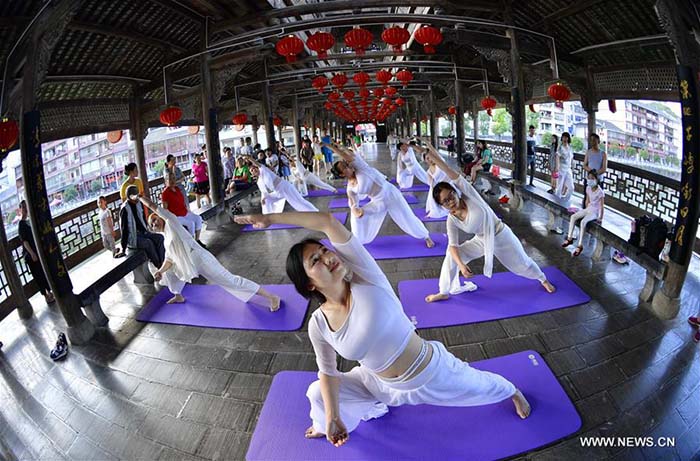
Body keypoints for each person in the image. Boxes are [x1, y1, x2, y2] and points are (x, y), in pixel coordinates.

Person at [233, 211, 532, 447]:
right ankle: (328, 424)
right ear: (309, 283)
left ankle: (512, 390)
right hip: (377, 384)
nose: (327, 257)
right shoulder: (318, 324)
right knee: (317, 392)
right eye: (316, 261)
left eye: (324, 251)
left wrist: (270, 219)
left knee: (479, 385)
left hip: (428, 374)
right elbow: (328, 372)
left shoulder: (365, 276)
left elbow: (325, 221)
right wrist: (333, 417)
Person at [420, 143, 556, 303]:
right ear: (442, 205)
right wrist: (462, 266)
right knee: (452, 256)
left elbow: (448, 171)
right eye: (445, 201)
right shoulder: (452, 219)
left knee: (522, 265)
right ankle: (443, 291)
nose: (451, 201)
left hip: (500, 235)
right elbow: (453, 245)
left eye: (451, 196)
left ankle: (542, 279)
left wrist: (431, 153)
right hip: (481, 240)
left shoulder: (469, 194)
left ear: (455, 192)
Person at [139, 195, 281, 311]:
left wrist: (140, 197)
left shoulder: (171, 222)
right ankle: (178, 295)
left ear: (160, 217)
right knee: (169, 273)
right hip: (189, 264)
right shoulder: (165, 239)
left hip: (200, 259)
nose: (154, 223)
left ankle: (271, 297)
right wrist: (160, 271)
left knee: (230, 280)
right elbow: (169, 260)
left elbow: (153, 207)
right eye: (151, 224)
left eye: (154, 219)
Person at [328, 143, 434, 247]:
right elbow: (353, 202)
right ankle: (358, 241)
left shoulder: (360, 167)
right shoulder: (350, 188)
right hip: (378, 202)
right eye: (344, 167)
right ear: (342, 174)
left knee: (407, 217)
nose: (348, 166)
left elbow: (346, 155)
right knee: (356, 217)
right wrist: (355, 209)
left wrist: (331, 146)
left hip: (390, 194)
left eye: (346, 164)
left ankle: (426, 236)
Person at [245, 155, 318, 214]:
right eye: (252, 171)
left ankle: (314, 212)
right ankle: (269, 217)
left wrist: (249, 158)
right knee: (266, 201)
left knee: (298, 201)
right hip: (277, 193)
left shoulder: (264, 170)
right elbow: (264, 192)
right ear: (252, 174)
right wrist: (263, 199)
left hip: (285, 187)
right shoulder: (259, 181)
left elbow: (258, 164)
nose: (254, 170)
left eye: (254, 168)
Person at [17, 200, 55, 304]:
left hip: (38, 252)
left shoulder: (30, 222)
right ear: (20, 210)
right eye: (23, 207)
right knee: (38, 275)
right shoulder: (21, 224)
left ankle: (50, 292)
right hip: (31, 255)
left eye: (26, 207)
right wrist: (32, 253)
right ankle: (46, 295)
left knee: (43, 272)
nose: (25, 209)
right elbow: (24, 241)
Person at [119, 185, 165, 268]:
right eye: (135, 195)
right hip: (133, 237)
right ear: (129, 196)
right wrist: (123, 248)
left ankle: (162, 263)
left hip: (143, 232)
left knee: (160, 238)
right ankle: (158, 264)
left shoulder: (139, 203)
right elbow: (124, 229)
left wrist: (149, 230)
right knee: (148, 243)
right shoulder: (124, 209)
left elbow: (143, 218)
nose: (137, 197)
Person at [562, 170, 605, 257]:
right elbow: (587, 200)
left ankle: (579, 245)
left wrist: (600, 218)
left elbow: (602, 206)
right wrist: (584, 211)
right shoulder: (588, 188)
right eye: (589, 178)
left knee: (583, 222)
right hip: (588, 208)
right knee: (573, 216)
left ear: (597, 180)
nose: (590, 180)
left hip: (595, 212)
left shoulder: (600, 192)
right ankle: (569, 238)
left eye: (592, 178)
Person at [161, 172, 205, 246]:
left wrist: (188, 211)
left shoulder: (177, 189)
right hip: (176, 216)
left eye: (173, 178)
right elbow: (165, 209)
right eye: (169, 179)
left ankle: (197, 241)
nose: (172, 180)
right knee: (191, 224)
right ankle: (191, 244)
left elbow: (182, 202)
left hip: (184, 212)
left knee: (198, 219)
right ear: (166, 181)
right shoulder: (165, 193)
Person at [582, 134, 607, 207]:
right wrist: (591, 172)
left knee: (598, 200)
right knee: (587, 197)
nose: (592, 142)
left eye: (594, 140)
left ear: (598, 141)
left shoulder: (603, 154)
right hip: (589, 179)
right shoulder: (588, 152)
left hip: (599, 180)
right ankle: (585, 213)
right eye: (591, 140)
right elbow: (584, 165)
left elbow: (604, 168)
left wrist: (595, 174)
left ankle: (596, 215)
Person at [424, 151, 450, 219]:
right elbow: (430, 182)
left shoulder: (439, 165)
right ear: (425, 160)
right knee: (432, 192)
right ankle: (434, 210)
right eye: (427, 159)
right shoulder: (428, 171)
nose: (430, 160)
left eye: (430, 158)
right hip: (437, 186)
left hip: (446, 183)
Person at [554, 132, 574, 202]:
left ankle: (565, 201)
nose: (565, 139)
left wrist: (572, 167)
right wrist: (557, 167)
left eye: (566, 137)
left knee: (571, 187)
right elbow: (557, 156)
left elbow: (571, 158)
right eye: (564, 137)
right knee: (559, 187)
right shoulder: (560, 147)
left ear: (568, 138)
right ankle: (556, 202)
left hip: (568, 169)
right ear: (562, 138)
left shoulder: (570, 147)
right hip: (562, 169)